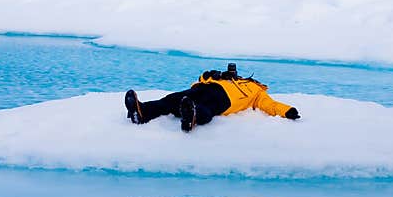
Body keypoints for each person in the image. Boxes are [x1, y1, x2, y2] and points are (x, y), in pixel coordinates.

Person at [124, 63, 300, 132]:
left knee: (206, 109)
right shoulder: (227, 78)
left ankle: (191, 117)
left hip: (225, 100)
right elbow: (200, 80)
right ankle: (141, 112)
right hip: (205, 88)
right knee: (173, 99)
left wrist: (288, 111)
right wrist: (209, 76)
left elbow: (271, 105)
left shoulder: (257, 92)